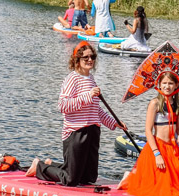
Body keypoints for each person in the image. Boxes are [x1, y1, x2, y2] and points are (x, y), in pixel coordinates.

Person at [24, 41, 122, 186]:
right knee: (70, 179)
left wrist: (114, 123)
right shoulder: (72, 79)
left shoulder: (92, 80)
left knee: (89, 178)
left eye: (92, 57)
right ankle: (40, 166)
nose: (90, 60)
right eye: (86, 57)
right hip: (76, 131)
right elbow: (63, 106)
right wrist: (87, 96)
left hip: (93, 131)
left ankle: (53, 164)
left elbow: (96, 110)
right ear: (77, 60)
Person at [119, 71, 179, 196]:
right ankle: (129, 179)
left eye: (170, 83)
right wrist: (156, 154)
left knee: (178, 184)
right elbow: (148, 130)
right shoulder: (155, 104)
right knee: (161, 189)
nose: (167, 86)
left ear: (176, 85)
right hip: (157, 148)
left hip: (172, 148)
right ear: (159, 84)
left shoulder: (177, 104)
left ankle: (131, 177)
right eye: (164, 83)